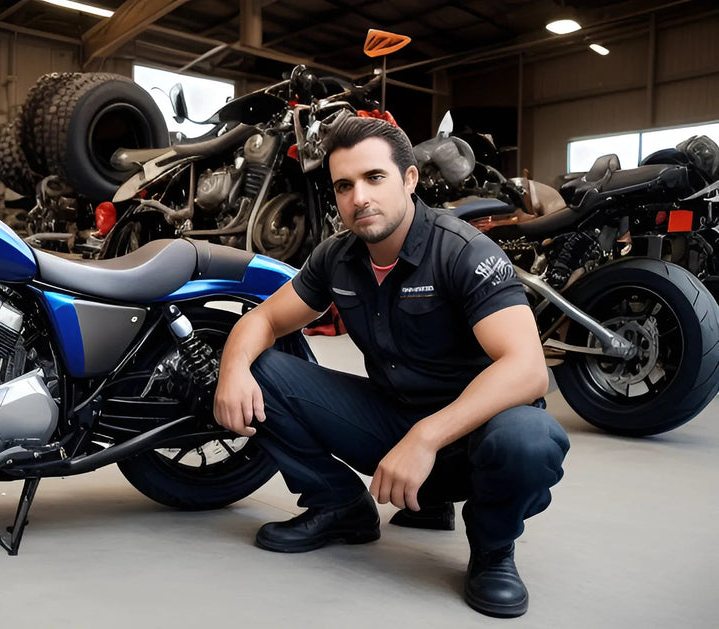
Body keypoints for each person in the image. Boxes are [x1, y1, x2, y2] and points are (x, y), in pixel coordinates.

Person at [213, 113, 570, 618]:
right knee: (262, 370)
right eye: (344, 185)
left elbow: (528, 368)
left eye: (374, 178)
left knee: (529, 438)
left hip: (472, 440)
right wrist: (233, 372)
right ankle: (340, 506)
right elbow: (265, 319)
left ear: (409, 179)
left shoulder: (463, 251)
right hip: (390, 424)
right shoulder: (337, 257)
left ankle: (493, 551)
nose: (358, 198)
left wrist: (425, 438)